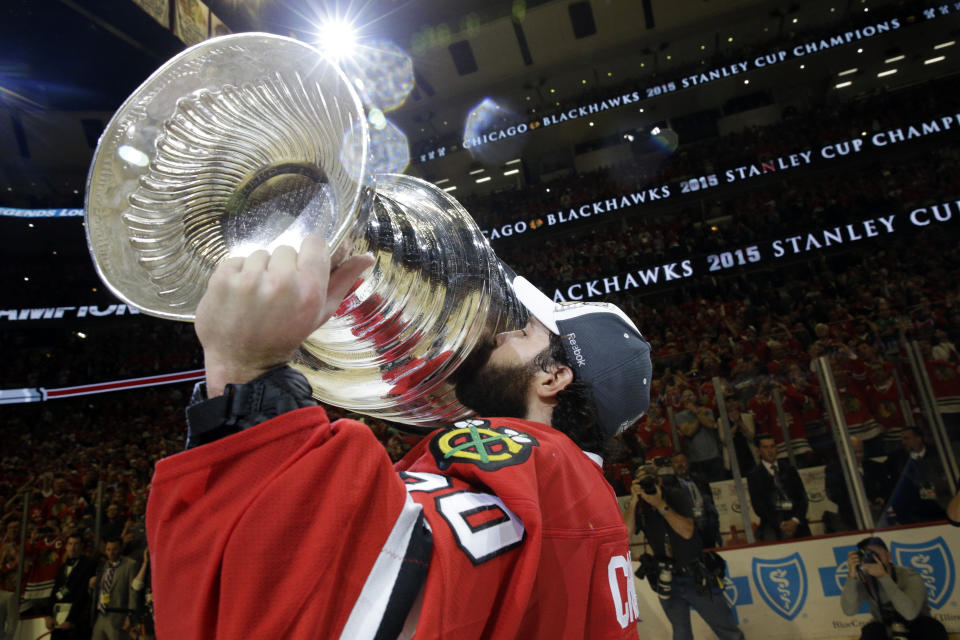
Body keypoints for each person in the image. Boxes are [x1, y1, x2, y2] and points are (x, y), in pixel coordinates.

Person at [146, 237, 653, 639]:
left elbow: (326, 605)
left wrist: (246, 374)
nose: (502, 334)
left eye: (525, 333)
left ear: (553, 378)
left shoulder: (524, 461)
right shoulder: (585, 497)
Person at [626, 464, 743, 640]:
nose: (646, 486)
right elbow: (624, 536)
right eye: (641, 483)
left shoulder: (675, 495)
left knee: (728, 631)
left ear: (659, 480)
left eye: (649, 481)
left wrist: (660, 505)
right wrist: (634, 501)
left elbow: (687, 531)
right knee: (681, 634)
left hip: (695, 574)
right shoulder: (641, 507)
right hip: (666, 578)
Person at [841, 537, 947, 639]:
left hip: (916, 625)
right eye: (868, 555)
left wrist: (883, 577)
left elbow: (909, 614)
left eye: (877, 555)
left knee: (932, 628)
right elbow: (849, 611)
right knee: (871, 631)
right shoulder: (865, 578)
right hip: (885, 627)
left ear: (889, 556)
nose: (874, 559)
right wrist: (851, 577)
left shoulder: (909, 576)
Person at [747, 433, 811, 541]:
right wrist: (781, 524)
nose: (770, 451)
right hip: (772, 526)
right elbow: (759, 506)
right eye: (765, 447)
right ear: (758, 451)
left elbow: (802, 498)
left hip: (798, 524)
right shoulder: (754, 476)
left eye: (772, 446)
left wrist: (795, 520)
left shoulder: (790, 470)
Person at [824, 436, 891, 532]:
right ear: (844, 452)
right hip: (850, 517)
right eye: (855, 452)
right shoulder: (834, 470)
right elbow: (834, 494)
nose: (858, 455)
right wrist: (858, 502)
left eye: (860, 451)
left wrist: (881, 497)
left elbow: (887, 486)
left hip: (877, 514)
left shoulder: (875, 466)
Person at [43, 531, 96, 640]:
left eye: (76, 544)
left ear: (81, 546)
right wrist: (48, 615)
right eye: (70, 544)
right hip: (58, 615)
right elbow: (55, 591)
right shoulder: (63, 567)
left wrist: (71, 619)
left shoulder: (88, 564)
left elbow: (82, 593)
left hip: (76, 619)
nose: (73, 547)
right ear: (66, 546)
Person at [90, 538, 137, 640]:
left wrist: (131, 615)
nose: (111, 553)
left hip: (119, 614)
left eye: (114, 549)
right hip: (101, 614)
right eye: (108, 549)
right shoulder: (104, 566)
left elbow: (133, 592)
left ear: (121, 549)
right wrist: (92, 585)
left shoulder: (130, 565)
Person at [670, 453, 722, 548]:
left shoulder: (700, 480)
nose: (680, 464)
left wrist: (714, 527)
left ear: (688, 463)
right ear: (672, 465)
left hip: (706, 529)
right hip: (686, 530)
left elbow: (710, 504)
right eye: (676, 462)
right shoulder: (669, 485)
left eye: (682, 461)